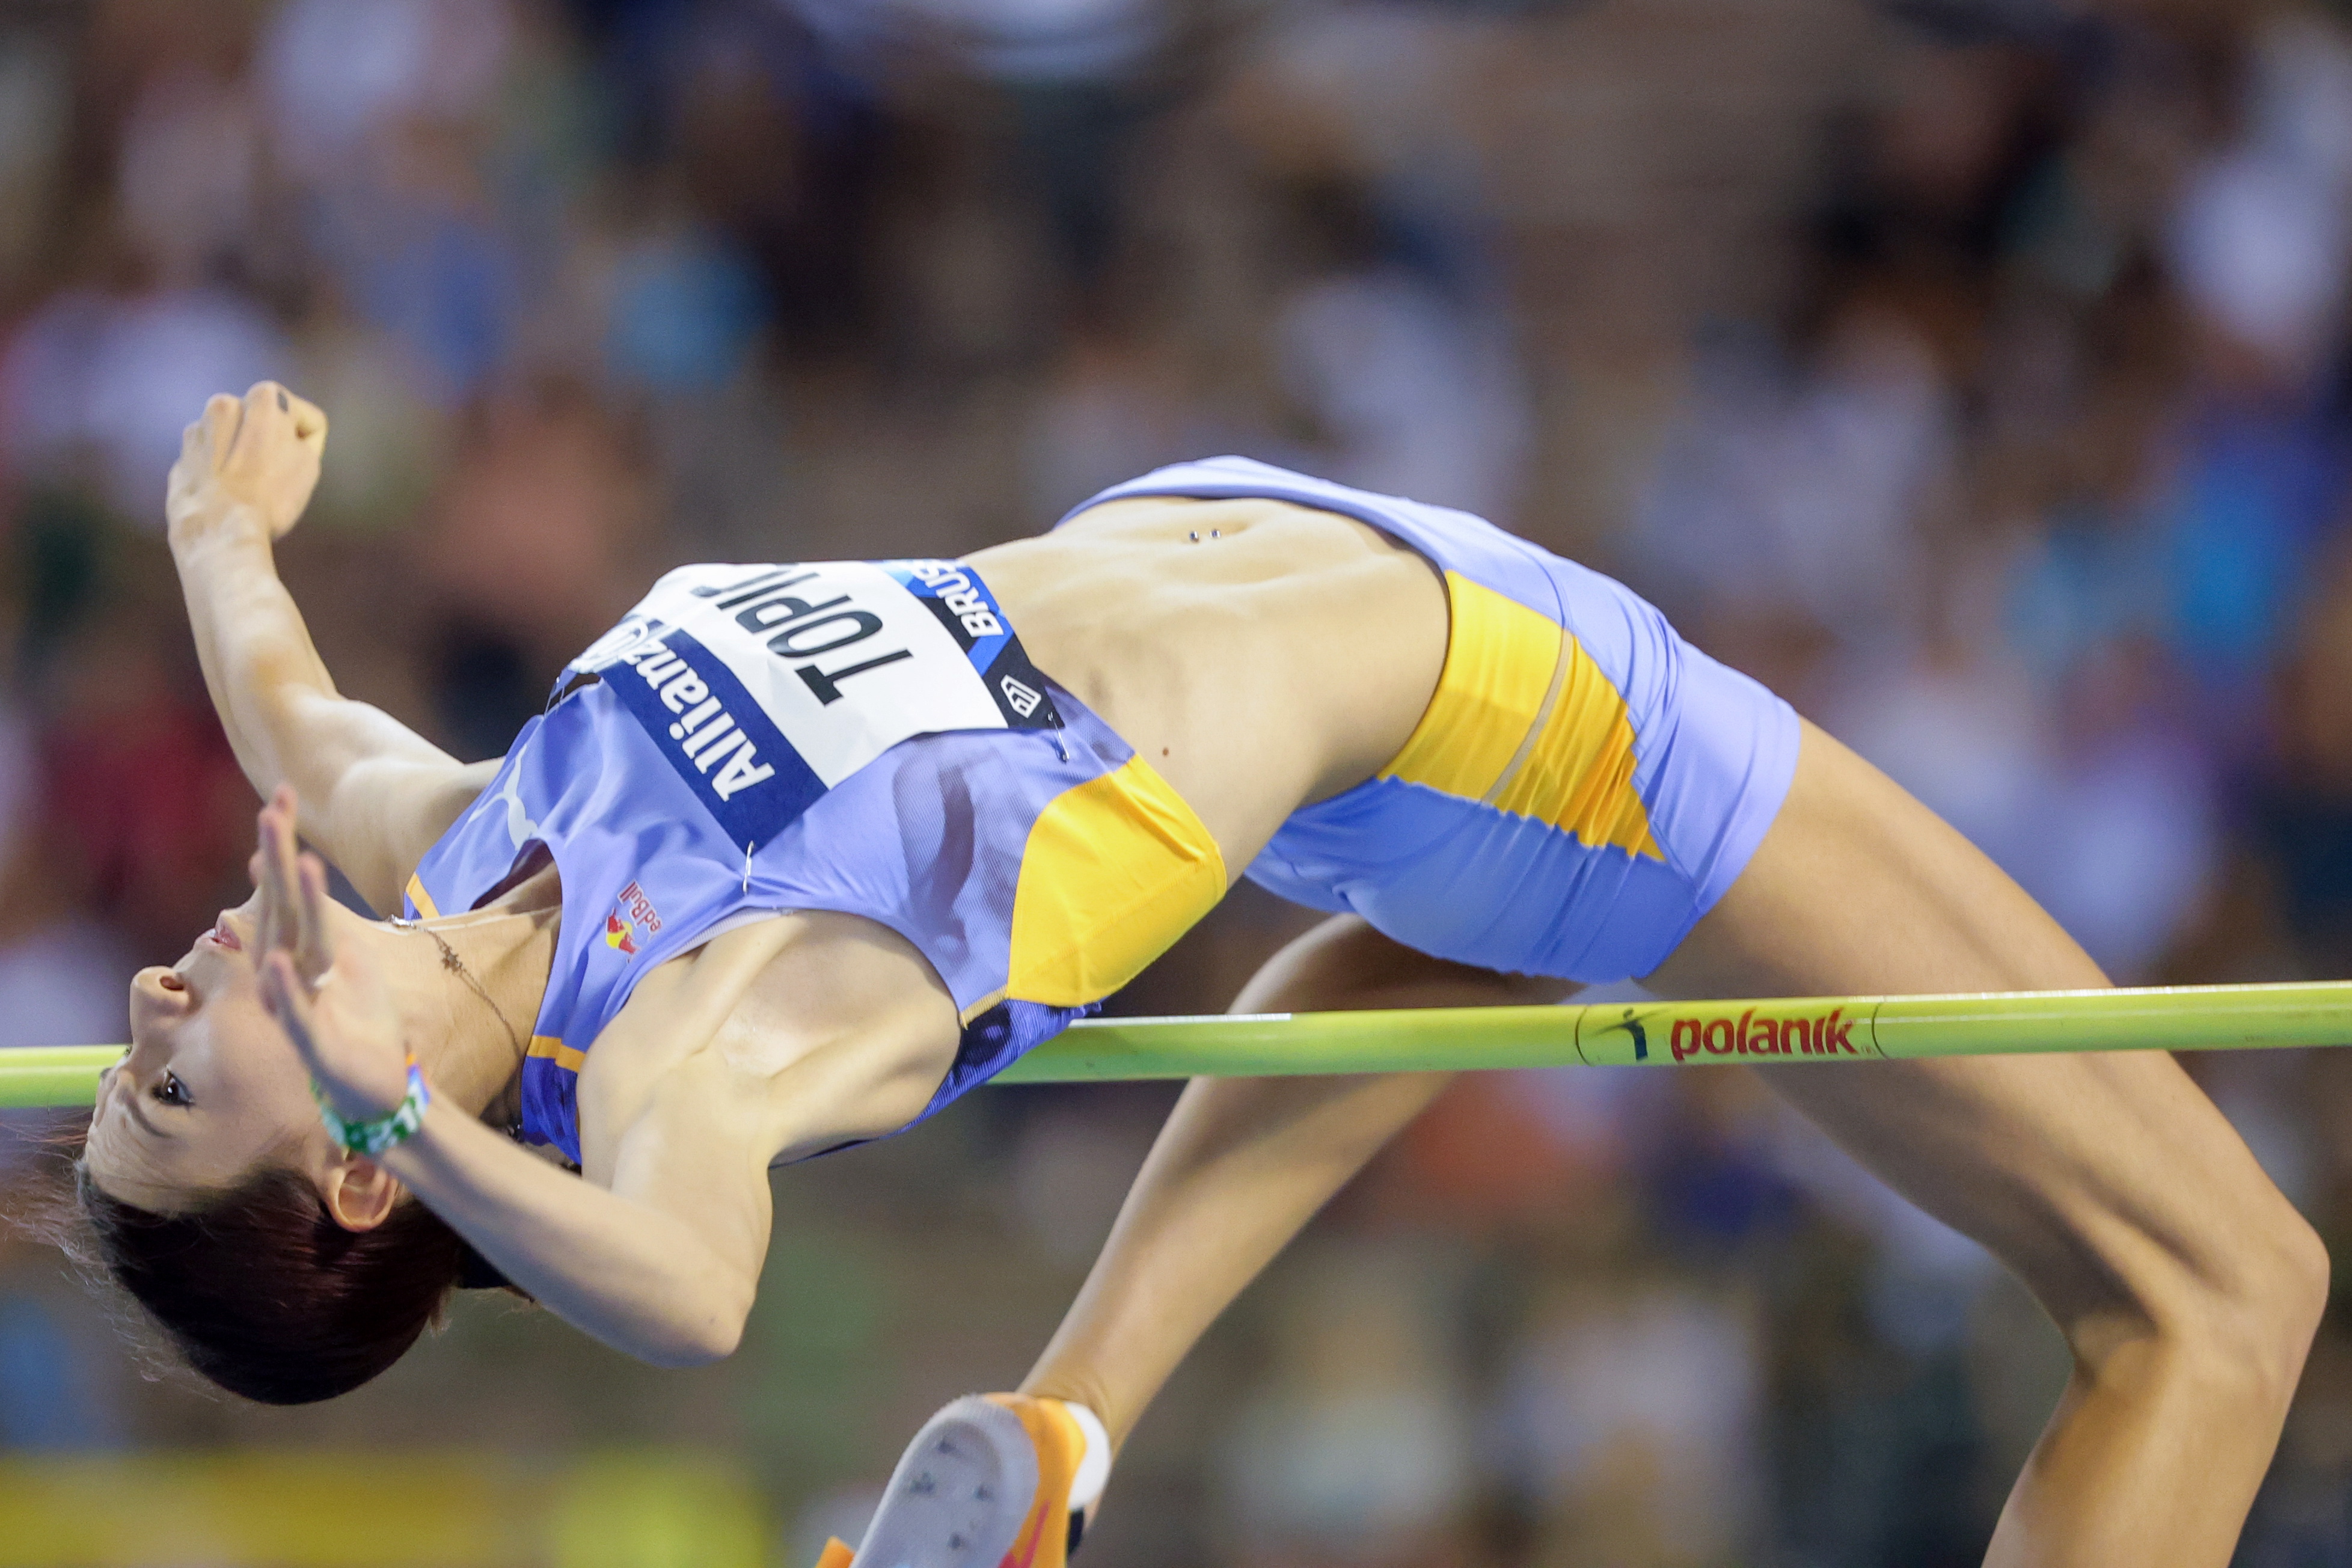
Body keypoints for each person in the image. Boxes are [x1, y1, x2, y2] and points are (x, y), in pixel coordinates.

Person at [70, 382, 2319, 1568]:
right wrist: (407, 1113)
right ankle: (1086, 1412)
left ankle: (1074, 1425)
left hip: (1261, 581)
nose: (148, 1016)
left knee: (1439, 961)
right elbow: (687, 1289)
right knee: (2220, 1295)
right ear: (360, 1185)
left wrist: (213, 535)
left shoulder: (467, 841)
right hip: (1525, 717)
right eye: (173, 1098)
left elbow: (306, 721)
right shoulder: (693, 1043)